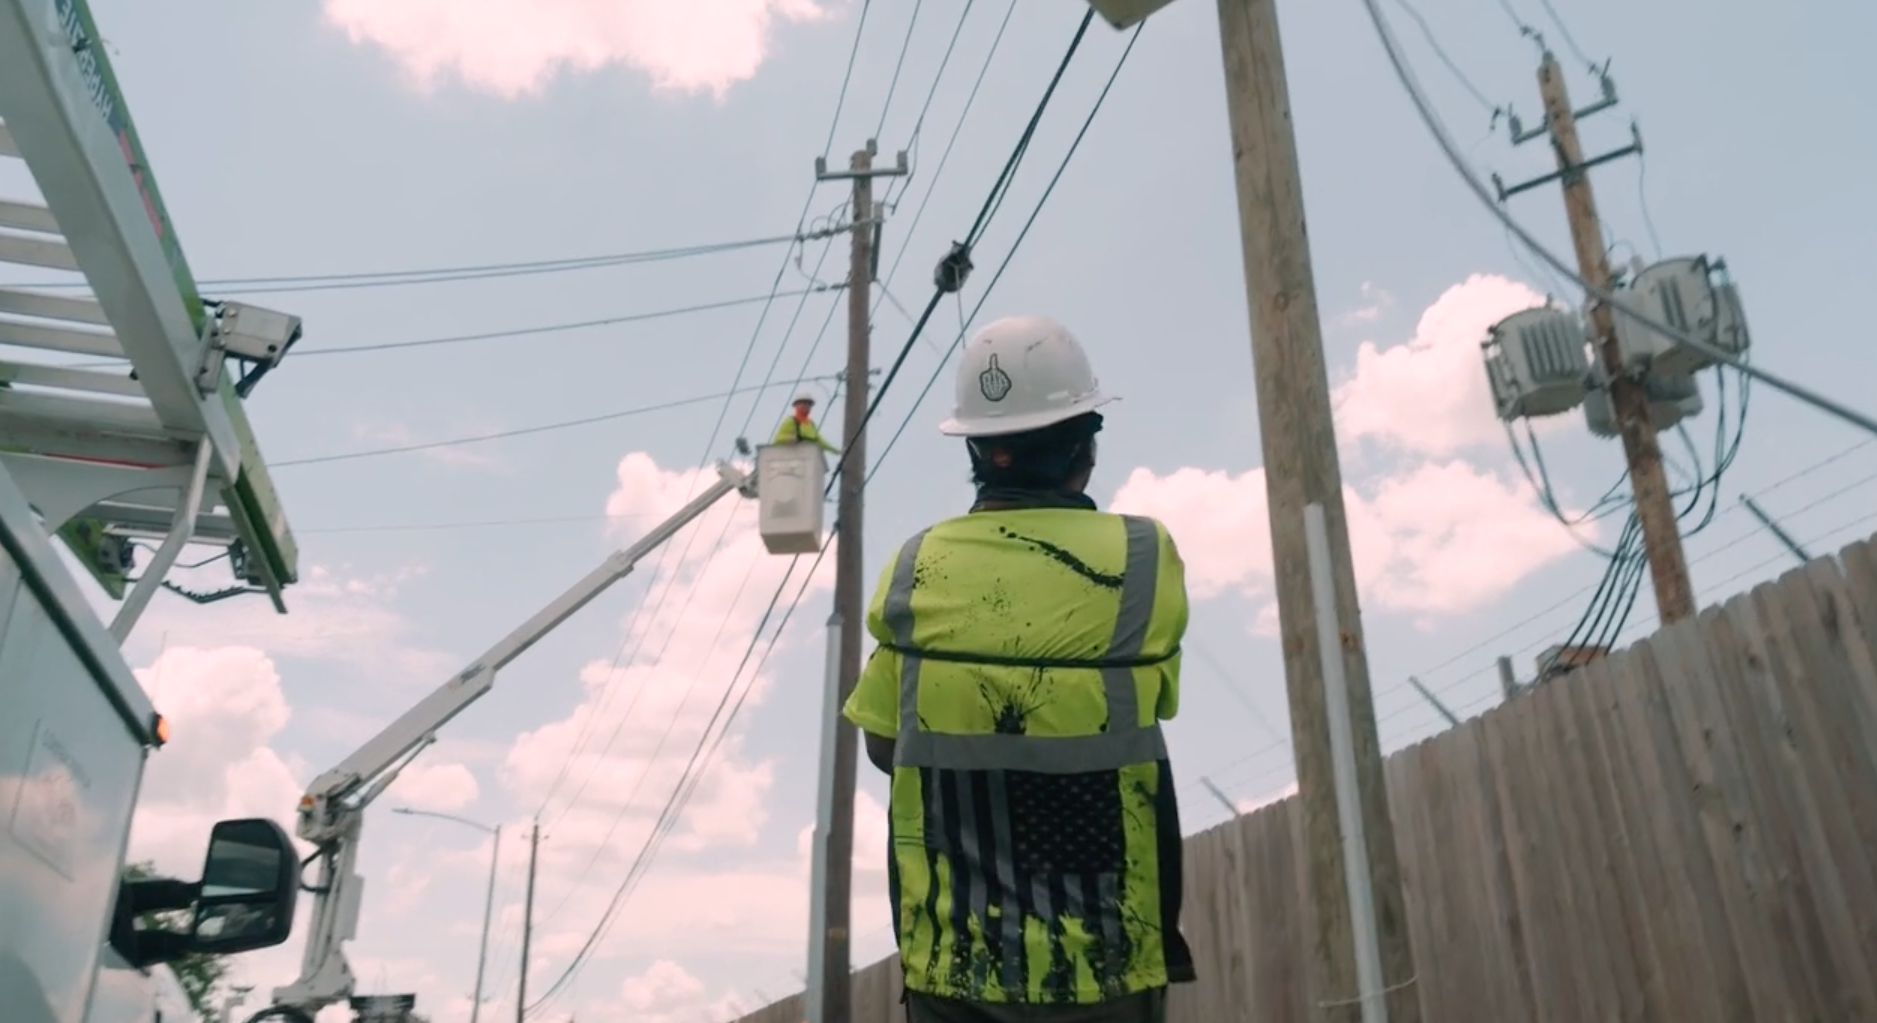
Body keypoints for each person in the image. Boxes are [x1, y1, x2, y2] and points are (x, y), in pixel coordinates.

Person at [842, 315, 1195, 1023]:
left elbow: (885, 746)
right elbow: (1148, 703)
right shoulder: (1142, 560)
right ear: (1084, 443)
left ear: (974, 448)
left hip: (956, 970)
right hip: (1109, 966)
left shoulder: (916, 570)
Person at [773, 392, 840, 454]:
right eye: (803, 403)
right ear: (796, 405)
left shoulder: (811, 424)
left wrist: (837, 451)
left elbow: (820, 441)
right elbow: (777, 439)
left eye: (809, 404)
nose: (806, 406)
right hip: (794, 457)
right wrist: (790, 439)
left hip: (809, 458)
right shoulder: (790, 421)